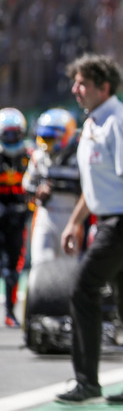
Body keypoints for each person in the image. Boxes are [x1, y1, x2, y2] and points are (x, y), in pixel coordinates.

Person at [57, 54, 123, 405]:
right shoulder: (93, 123)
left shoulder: (120, 121)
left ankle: (86, 381)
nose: (75, 90)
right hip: (113, 218)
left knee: (82, 289)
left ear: (104, 87)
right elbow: (96, 184)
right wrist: (74, 221)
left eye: (82, 83)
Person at [22, 108, 81, 286]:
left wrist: (60, 187)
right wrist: (38, 190)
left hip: (73, 217)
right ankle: (40, 308)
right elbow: (27, 185)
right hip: (46, 214)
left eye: (51, 137)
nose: (46, 143)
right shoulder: (39, 157)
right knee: (41, 262)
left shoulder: (79, 157)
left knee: (70, 265)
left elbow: (88, 190)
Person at [0, 107, 31, 327]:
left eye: (15, 134)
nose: (11, 139)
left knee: (14, 267)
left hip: (18, 218)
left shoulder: (30, 156)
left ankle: (10, 312)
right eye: (7, 134)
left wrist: (28, 208)